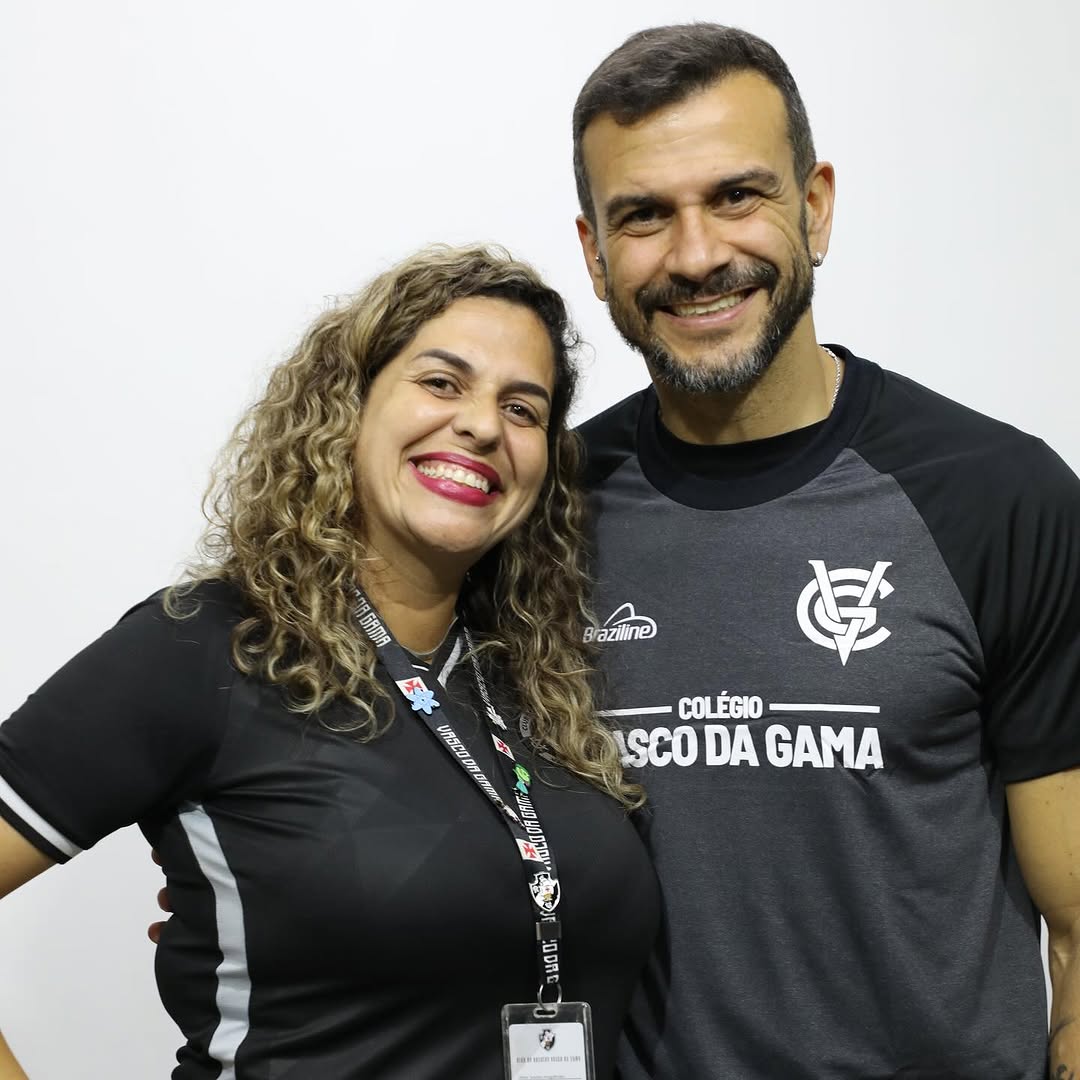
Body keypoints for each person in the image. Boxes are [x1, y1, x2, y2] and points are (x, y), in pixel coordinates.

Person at [0, 245, 660, 1079]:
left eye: (522, 408)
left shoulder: (536, 679)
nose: (484, 425)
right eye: (441, 382)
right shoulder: (208, 646)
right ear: (350, 405)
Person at [570, 23, 1080, 1080]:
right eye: (645, 215)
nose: (697, 256)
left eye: (737, 196)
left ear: (817, 206)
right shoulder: (544, 516)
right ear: (594, 253)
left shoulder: (999, 498)